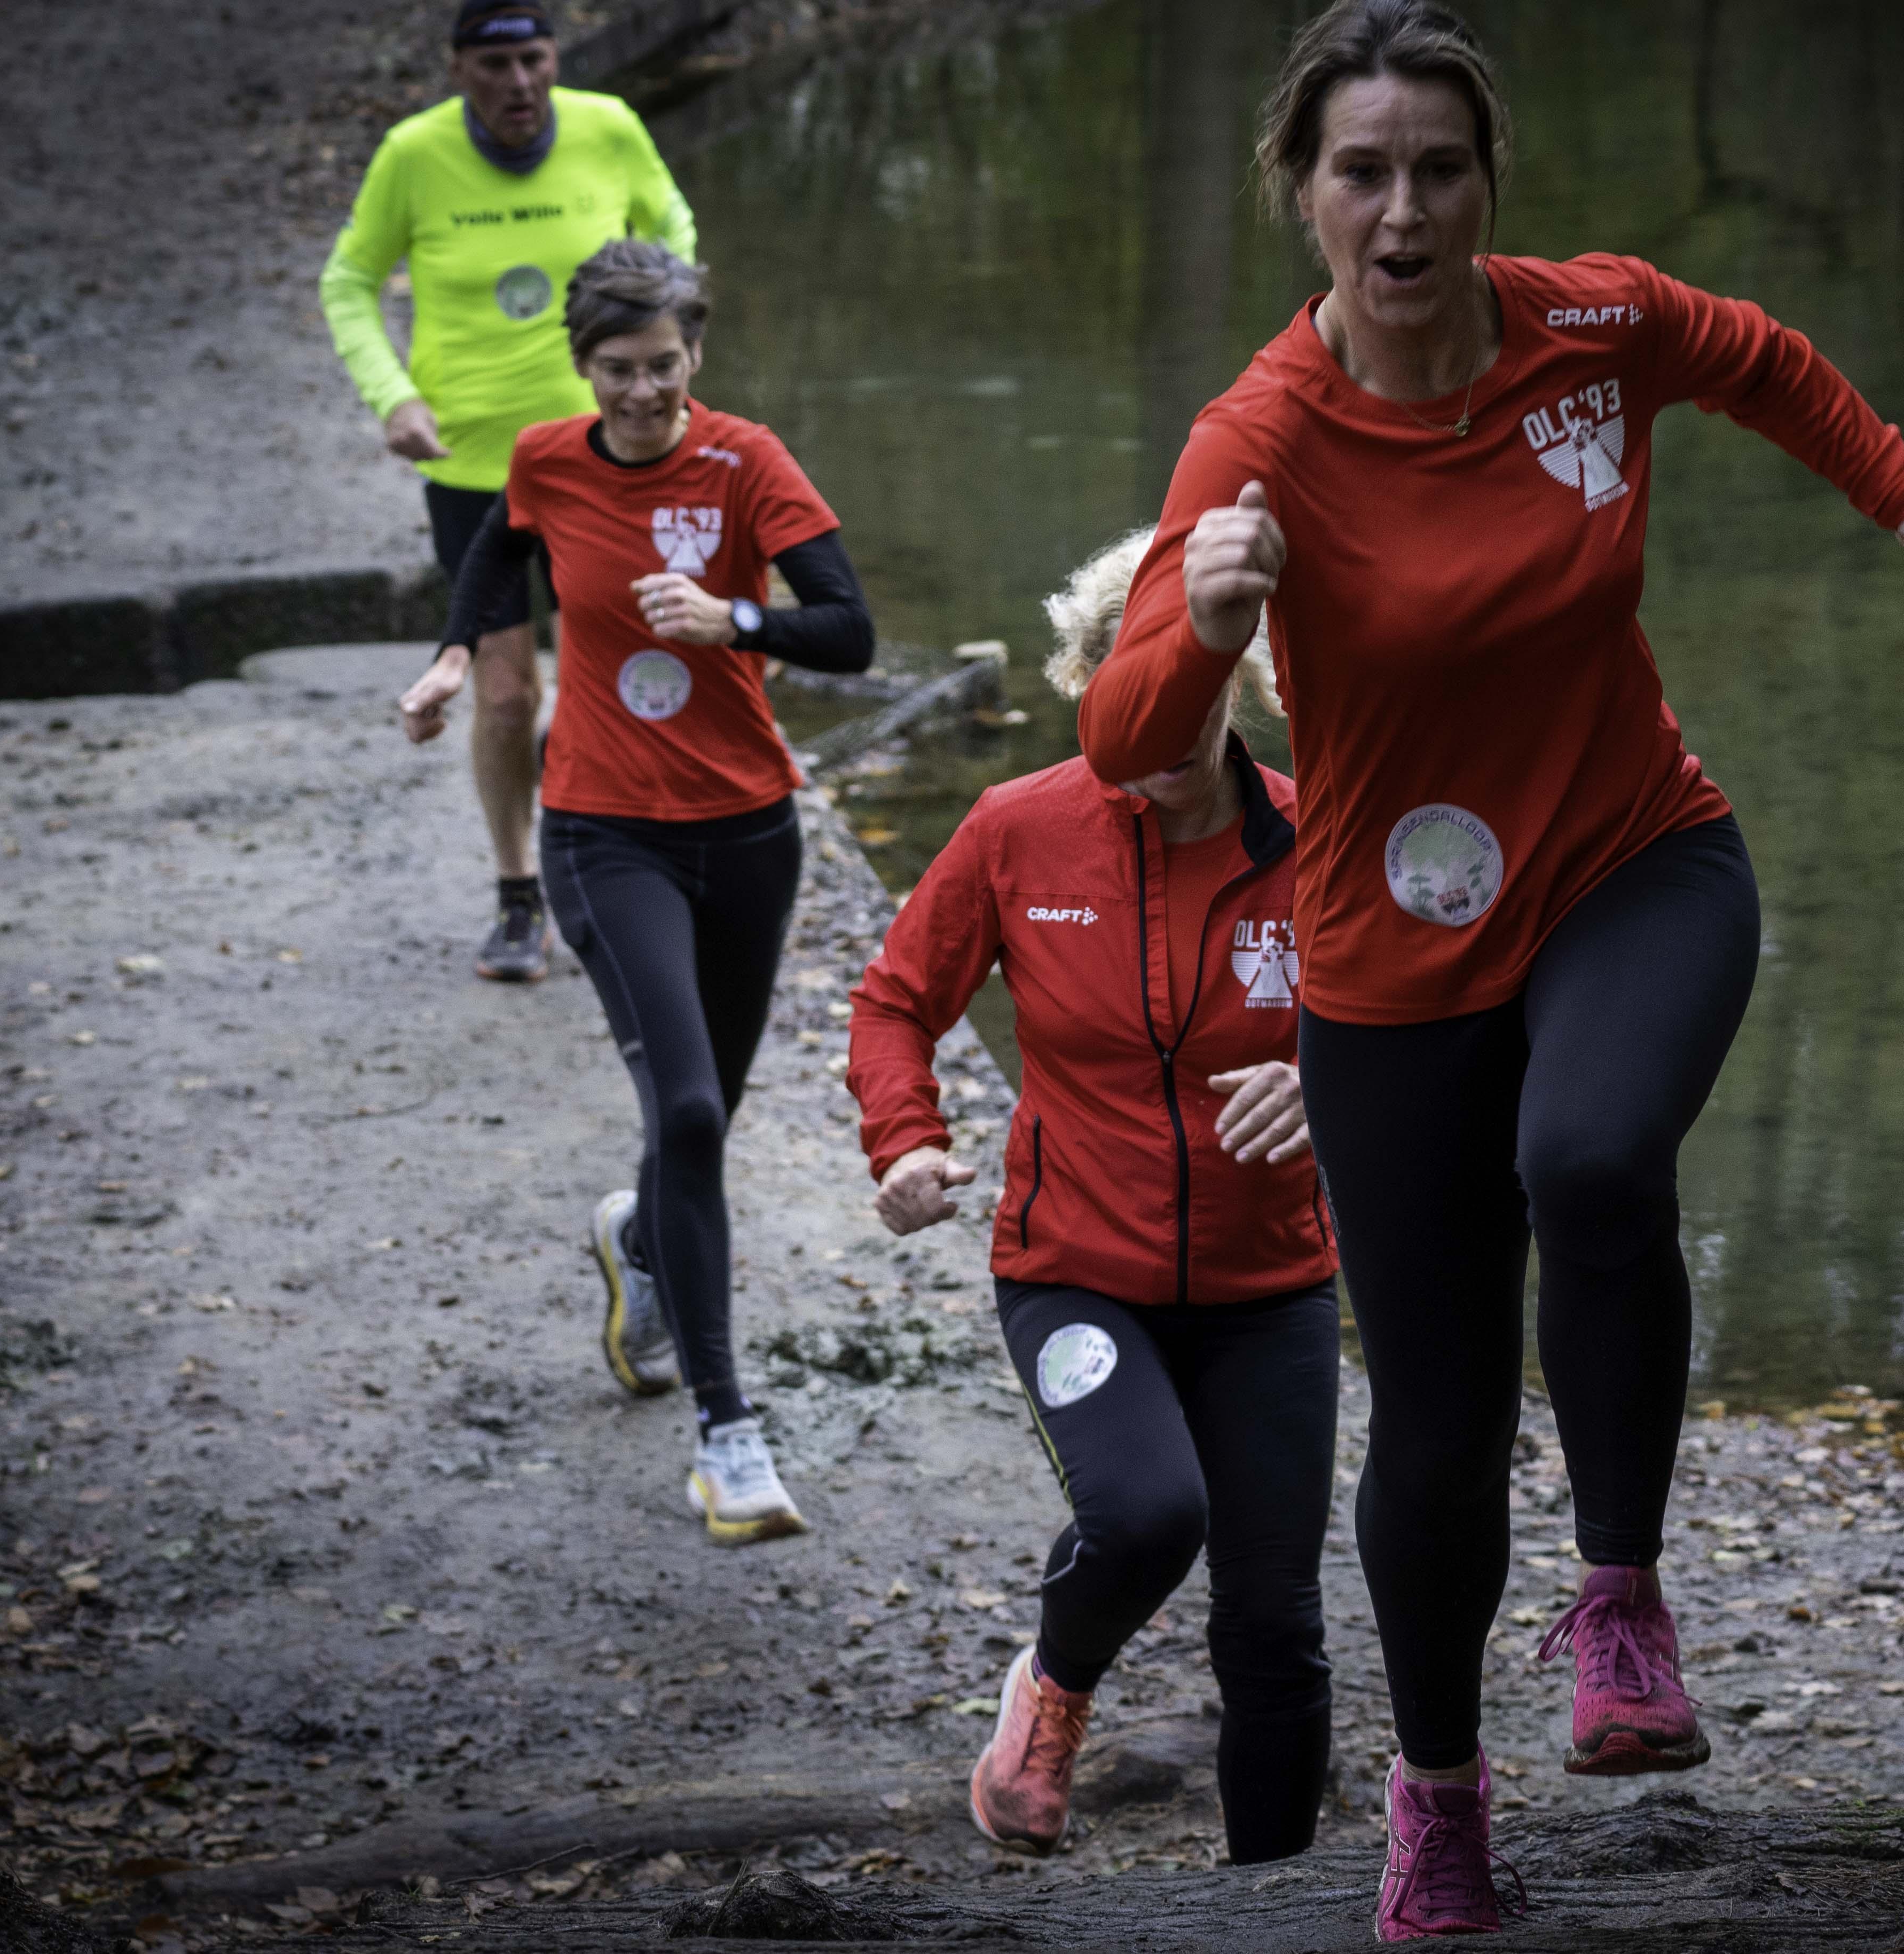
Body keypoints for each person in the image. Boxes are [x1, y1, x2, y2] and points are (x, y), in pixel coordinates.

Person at [1079, 1, 1904, 1936]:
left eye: (1436, 168)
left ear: (1484, 184)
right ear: (1301, 193)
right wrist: (1199, 630)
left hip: (1634, 858)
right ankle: (1436, 1802)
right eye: (1358, 172)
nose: (1401, 209)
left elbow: (1761, 360)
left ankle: (1617, 1607)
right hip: (1389, 960)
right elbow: (1125, 747)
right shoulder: (1257, 436)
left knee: (1595, 1162)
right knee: (1434, 1422)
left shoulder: (1588, 327)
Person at [846, 530, 1339, 1864]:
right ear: (1093, 679)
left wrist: (1329, 1083)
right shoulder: (1019, 829)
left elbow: (1435, 1022)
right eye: (1141, 681)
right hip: (1074, 1267)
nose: (1171, 717)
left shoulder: (1320, 834)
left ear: (1236, 674)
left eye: (1198, 679)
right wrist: (904, 1139)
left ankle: (1271, 1903)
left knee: (1277, 1630)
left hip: (1272, 1287)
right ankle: (1051, 1689)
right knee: (1145, 1514)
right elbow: (896, 1000)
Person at [433, 239, 875, 1542]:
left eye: (665, 368)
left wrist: (733, 621)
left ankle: (639, 1240)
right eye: (619, 372)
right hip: (601, 833)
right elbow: (496, 553)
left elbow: (845, 629)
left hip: (747, 834)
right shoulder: (544, 459)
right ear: (585, 369)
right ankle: (727, 1436)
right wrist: (455, 656)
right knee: (684, 1106)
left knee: (700, 1122)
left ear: (698, 357)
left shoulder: (748, 461)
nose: (642, 394)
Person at [325, 0, 699, 982]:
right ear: (460, 69)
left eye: (535, 60)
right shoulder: (414, 153)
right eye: (496, 66)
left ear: (555, 59)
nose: (519, 84)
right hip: (475, 468)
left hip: (608, 460)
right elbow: (349, 282)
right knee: (503, 693)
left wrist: (668, 357)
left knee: (609, 679)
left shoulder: (611, 127)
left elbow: (676, 238)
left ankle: (617, 878)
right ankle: (516, 892)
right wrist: (392, 394)